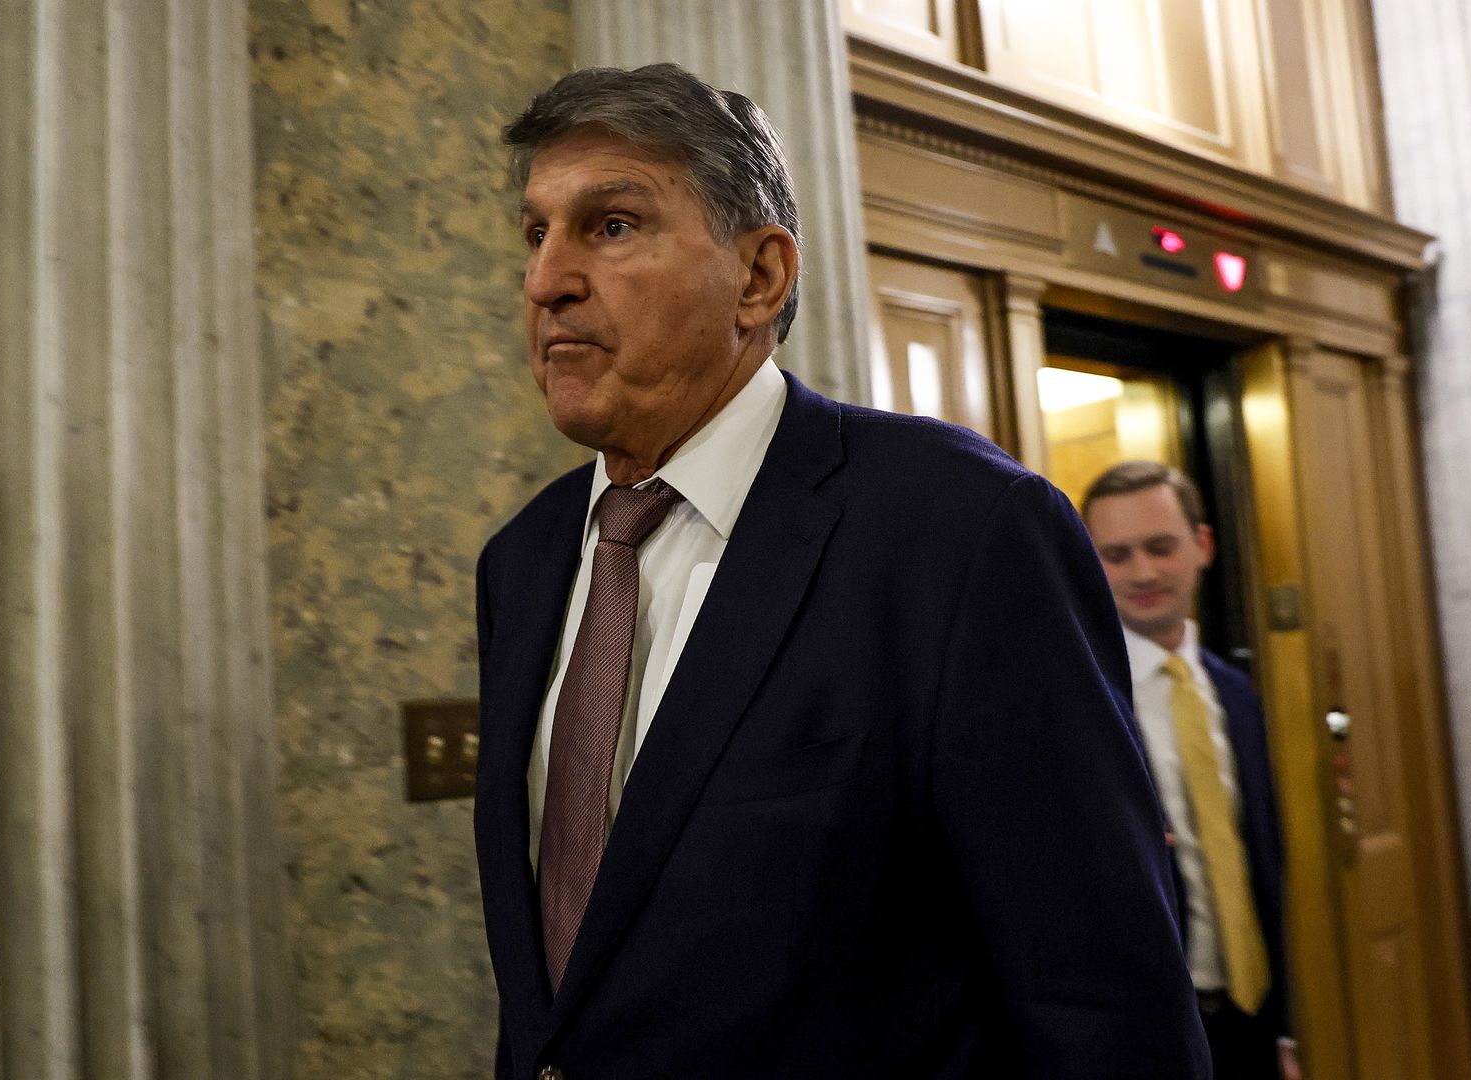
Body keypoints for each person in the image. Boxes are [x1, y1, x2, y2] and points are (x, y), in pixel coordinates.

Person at [473, 63, 1208, 1079]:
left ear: (760, 276)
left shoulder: (960, 531)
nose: (544, 280)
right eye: (536, 233)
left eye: (611, 226)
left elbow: (1100, 1002)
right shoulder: (521, 561)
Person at [1081, 461, 1299, 1080]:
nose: (1143, 572)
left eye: (1160, 547)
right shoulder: (1080, 703)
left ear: (1201, 546)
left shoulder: (1236, 694)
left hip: (1249, 1016)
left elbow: (1262, 867)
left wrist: (1281, 1032)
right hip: (1150, 1034)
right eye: (1116, 555)